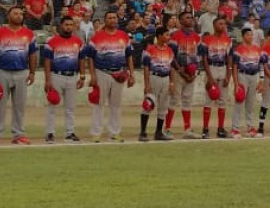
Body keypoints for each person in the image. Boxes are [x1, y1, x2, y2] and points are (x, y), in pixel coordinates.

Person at [0, 6, 37, 145]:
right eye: (15, 13)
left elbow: (32, 54)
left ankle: (19, 134)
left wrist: (32, 72)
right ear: (8, 15)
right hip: (2, 71)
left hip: (21, 72)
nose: (19, 16)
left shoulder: (29, 34)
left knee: (19, 106)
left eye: (21, 14)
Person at [83, 11, 135, 143]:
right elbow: (90, 57)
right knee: (98, 104)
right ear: (105, 21)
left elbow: (129, 56)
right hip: (102, 72)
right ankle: (96, 133)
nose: (112, 20)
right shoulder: (97, 37)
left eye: (114, 17)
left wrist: (131, 74)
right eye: (109, 18)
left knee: (116, 105)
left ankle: (115, 132)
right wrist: (93, 75)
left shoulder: (123, 36)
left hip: (119, 73)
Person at [42, 15, 85, 143]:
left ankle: (70, 132)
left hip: (72, 76)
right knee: (52, 105)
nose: (69, 27)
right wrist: (47, 79)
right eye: (66, 24)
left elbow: (81, 60)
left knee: (70, 107)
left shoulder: (78, 42)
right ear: (61, 26)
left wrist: (82, 76)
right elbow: (47, 61)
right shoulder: (52, 42)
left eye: (71, 25)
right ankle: (50, 133)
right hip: (56, 75)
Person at [168, 12, 202, 139]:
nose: (190, 19)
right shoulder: (175, 36)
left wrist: (195, 72)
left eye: (191, 17)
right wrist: (180, 71)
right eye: (187, 18)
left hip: (191, 74)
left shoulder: (196, 37)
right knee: (174, 100)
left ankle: (187, 129)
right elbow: (171, 55)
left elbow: (199, 57)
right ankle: (167, 128)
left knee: (187, 100)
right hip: (178, 72)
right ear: (180, 21)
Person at [199, 16, 234, 139]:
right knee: (209, 99)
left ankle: (220, 129)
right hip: (211, 67)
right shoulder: (206, 40)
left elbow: (229, 58)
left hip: (223, 68)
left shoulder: (228, 40)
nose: (223, 26)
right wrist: (209, 76)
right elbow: (204, 59)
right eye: (220, 24)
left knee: (222, 100)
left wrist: (228, 75)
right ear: (214, 26)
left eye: (224, 24)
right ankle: (205, 129)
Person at [140, 27, 175, 141]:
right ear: (159, 36)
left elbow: (171, 68)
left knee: (163, 107)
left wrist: (172, 82)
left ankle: (159, 132)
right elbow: (146, 67)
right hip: (154, 77)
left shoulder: (169, 50)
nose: (168, 37)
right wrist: (147, 84)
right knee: (148, 104)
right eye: (166, 35)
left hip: (165, 78)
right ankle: (143, 132)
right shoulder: (149, 50)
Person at [230, 27, 264, 138]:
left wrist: (261, 80)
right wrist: (236, 83)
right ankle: (235, 129)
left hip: (254, 76)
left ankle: (250, 127)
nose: (250, 36)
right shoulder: (238, 49)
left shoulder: (257, 49)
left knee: (250, 102)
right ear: (243, 36)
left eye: (251, 34)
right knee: (239, 101)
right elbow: (234, 66)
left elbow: (261, 65)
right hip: (242, 75)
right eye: (248, 35)